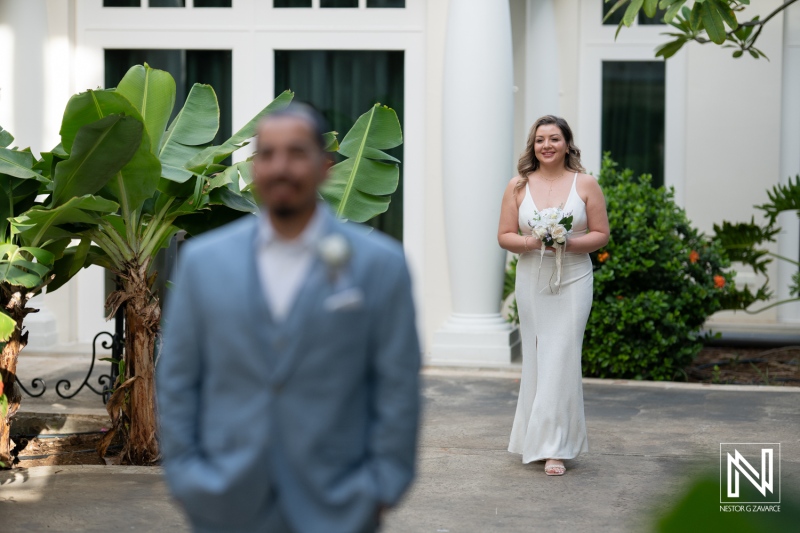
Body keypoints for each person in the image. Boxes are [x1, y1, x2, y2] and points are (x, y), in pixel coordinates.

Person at [157, 103, 421, 532]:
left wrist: (381, 486)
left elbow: (397, 384)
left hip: (339, 502)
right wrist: (188, 478)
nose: (281, 167)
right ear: (255, 167)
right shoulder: (203, 263)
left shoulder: (380, 265)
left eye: (297, 153)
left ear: (325, 167)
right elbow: (179, 378)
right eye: (268, 154)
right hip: (225, 500)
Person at [497, 115, 609, 476]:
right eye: (540, 139)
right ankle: (534, 438)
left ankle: (556, 447)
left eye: (554, 139)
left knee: (562, 354)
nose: (547, 145)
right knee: (538, 355)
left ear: (567, 144)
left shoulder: (586, 184)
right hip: (532, 277)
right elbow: (505, 235)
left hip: (574, 278)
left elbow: (601, 234)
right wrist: (535, 240)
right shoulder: (517, 185)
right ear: (533, 145)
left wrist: (566, 240)